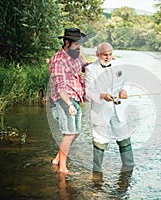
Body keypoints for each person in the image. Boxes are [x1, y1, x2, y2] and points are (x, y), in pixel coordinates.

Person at [85, 42, 135, 173]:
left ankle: (129, 167)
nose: (108, 57)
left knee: (124, 137)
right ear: (97, 54)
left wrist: (125, 91)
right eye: (104, 55)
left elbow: (127, 82)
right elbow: (89, 91)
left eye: (110, 54)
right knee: (99, 139)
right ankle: (97, 171)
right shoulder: (91, 69)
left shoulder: (119, 65)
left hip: (118, 109)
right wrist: (102, 95)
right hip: (101, 109)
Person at [49, 28, 88, 175]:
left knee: (75, 132)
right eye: (76, 43)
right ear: (67, 42)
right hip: (63, 100)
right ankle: (63, 169)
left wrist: (100, 62)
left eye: (80, 43)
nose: (79, 46)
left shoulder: (76, 55)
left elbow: (82, 67)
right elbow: (60, 89)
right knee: (69, 133)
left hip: (76, 97)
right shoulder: (58, 61)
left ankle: (57, 159)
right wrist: (69, 104)